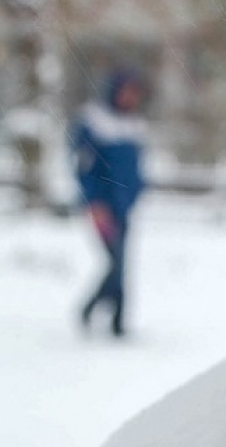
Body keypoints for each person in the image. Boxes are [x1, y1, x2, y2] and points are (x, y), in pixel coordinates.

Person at [75, 68, 148, 337]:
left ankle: (118, 321)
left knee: (123, 263)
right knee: (115, 263)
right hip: (103, 208)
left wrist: (137, 192)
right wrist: (93, 202)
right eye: (127, 91)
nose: (131, 98)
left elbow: (136, 167)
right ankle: (90, 308)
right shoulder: (94, 122)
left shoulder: (135, 124)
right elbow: (84, 166)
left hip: (124, 206)